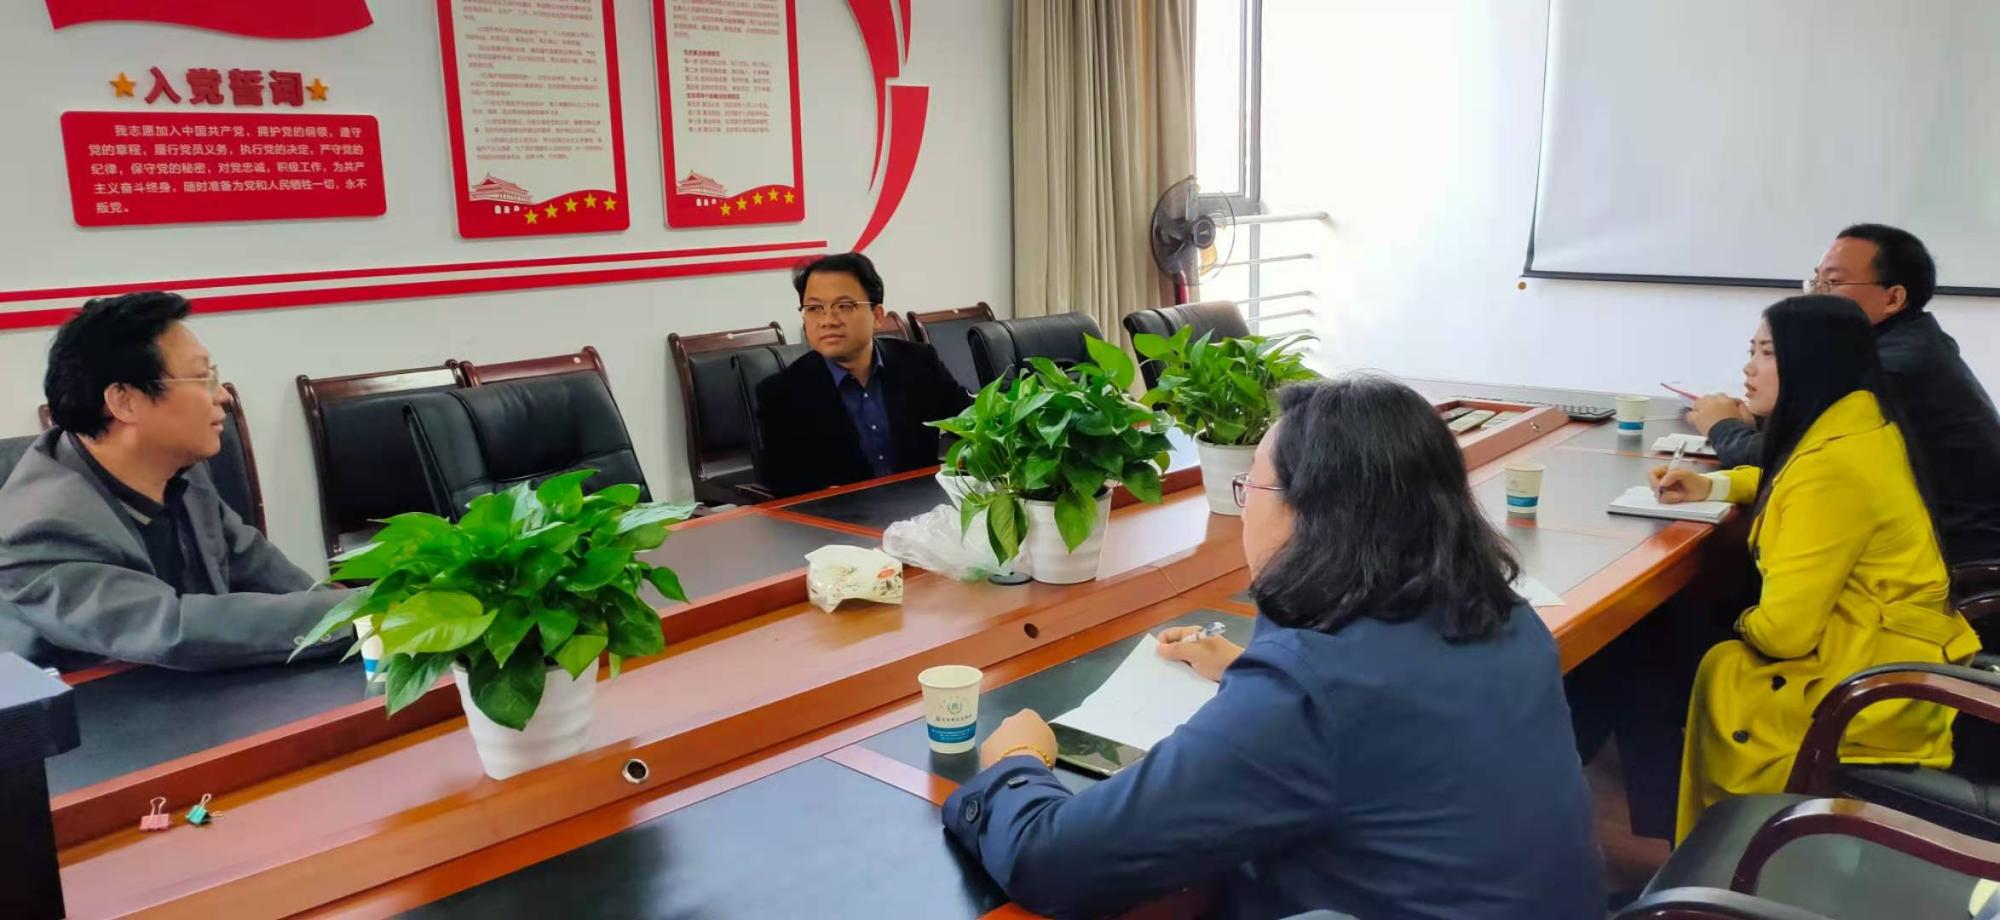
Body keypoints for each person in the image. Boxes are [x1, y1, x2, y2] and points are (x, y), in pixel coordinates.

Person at [942, 376, 1604, 920]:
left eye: (1250, 489)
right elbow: (1393, 718)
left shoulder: (1313, 693)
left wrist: (1016, 765)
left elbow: (1055, 863)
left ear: (1310, 512)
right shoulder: (1508, 617)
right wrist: (1252, 672)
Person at [1655, 295, 1980, 841]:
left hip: (1866, 686)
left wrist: (1737, 621)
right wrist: (1713, 485)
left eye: (1767, 353)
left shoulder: (1831, 468)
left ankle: (1721, 847)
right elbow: (1791, 480)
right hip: (1902, 653)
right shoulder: (1860, 422)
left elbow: (1784, 633)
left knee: (1703, 655)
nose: (1748, 368)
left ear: (1811, 361)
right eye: (1751, 351)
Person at [0, 292, 350, 670]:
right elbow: (172, 629)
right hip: (94, 703)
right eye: (202, 377)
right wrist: (354, 614)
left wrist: (355, 610)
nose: (222, 395)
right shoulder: (37, 529)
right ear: (124, 401)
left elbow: (262, 569)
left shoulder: (179, 469)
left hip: (203, 693)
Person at [1686, 224, 2000, 566]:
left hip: (1953, 561)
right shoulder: (1908, 342)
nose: (1814, 296)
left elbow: (1793, 456)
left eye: (1832, 283)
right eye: (1815, 281)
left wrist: (1723, 427)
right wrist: (1762, 420)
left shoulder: (1891, 368)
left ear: (1893, 298)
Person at [753, 252, 972, 497]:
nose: (828, 320)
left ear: (877, 316)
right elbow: (782, 485)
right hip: (840, 519)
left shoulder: (918, 363)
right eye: (814, 308)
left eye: (844, 306)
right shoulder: (781, 393)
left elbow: (971, 423)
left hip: (923, 510)